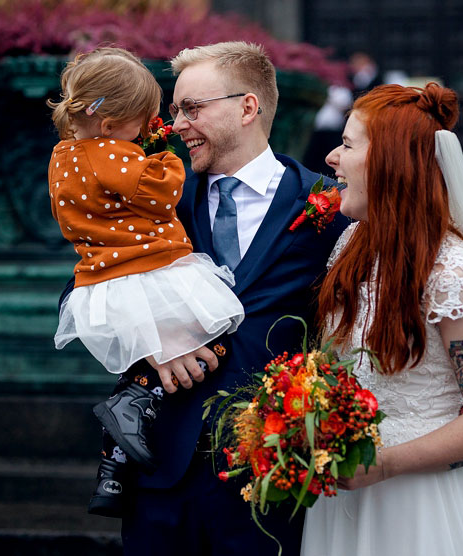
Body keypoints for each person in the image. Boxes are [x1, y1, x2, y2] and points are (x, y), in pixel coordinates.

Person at [114, 42, 349, 556]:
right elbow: (81, 291)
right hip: (161, 472)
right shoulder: (152, 201)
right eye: (175, 110)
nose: (177, 125)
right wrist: (154, 340)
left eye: (192, 108)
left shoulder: (330, 210)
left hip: (271, 478)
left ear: (248, 107)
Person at [47, 47, 244, 516]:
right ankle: (133, 404)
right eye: (143, 120)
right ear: (113, 121)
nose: (155, 127)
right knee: (219, 329)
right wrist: (165, 158)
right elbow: (157, 192)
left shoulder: (63, 155)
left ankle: (112, 470)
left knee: (144, 381)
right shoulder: (111, 153)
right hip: (147, 267)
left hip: (106, 276)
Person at [300, 83, 463, 555]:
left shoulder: (450, 273)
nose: (332, 160)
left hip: (420, 502)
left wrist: (383, 465)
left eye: (347, 145)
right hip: (342, 498)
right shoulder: (351, 244)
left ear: (390, 162)